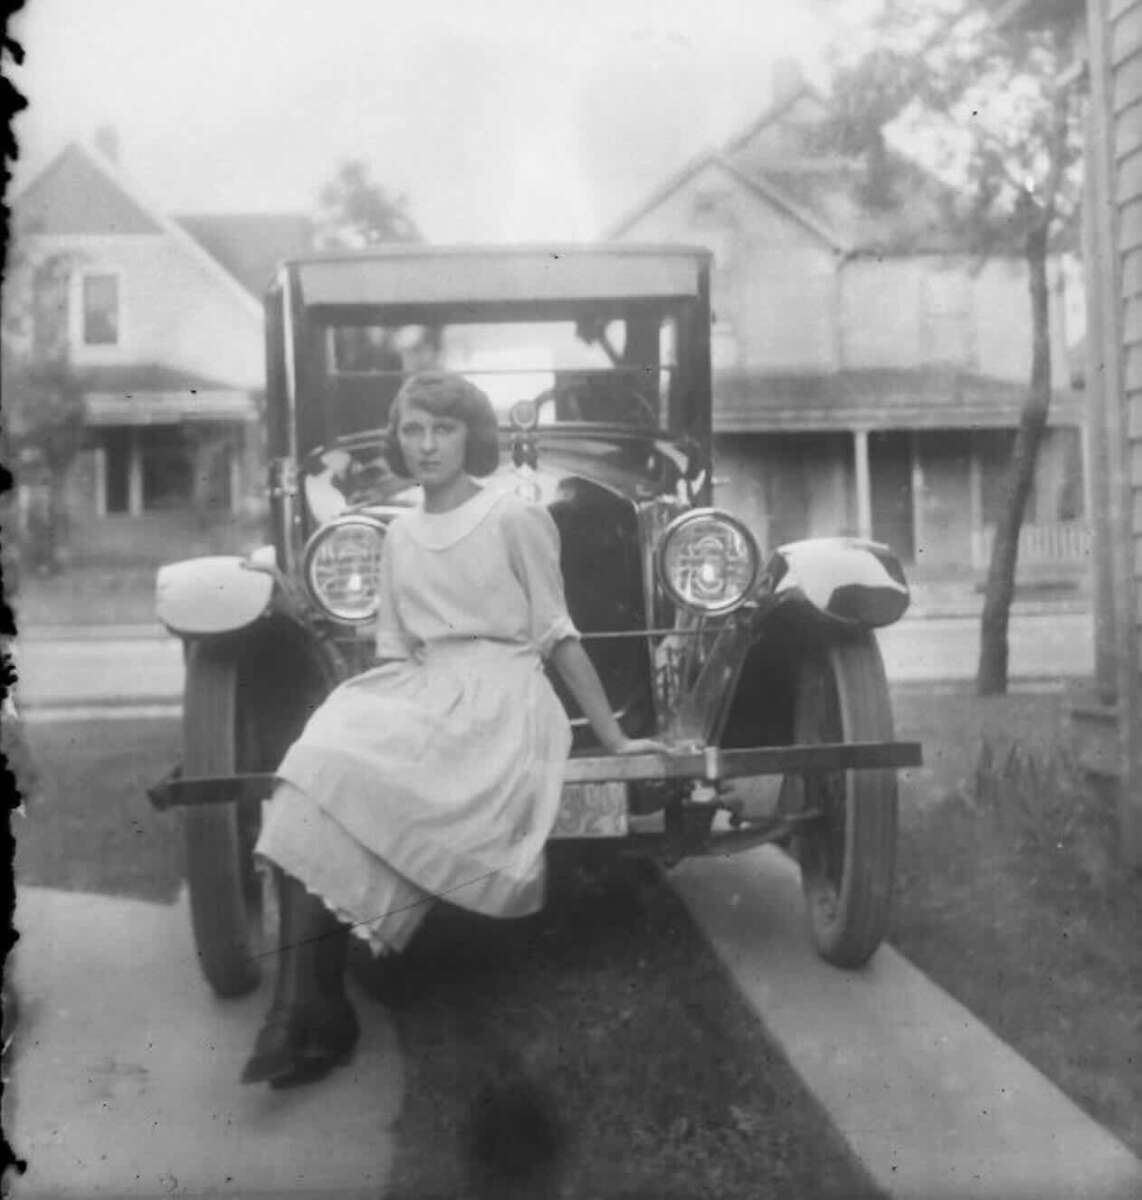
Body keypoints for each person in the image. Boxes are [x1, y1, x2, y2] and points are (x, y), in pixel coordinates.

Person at [243, 370, 664, 1088]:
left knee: (341, 763)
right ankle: (307, 1004)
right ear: (398, 440)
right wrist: (388, 715)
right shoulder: (400, 533)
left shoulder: (514, 518)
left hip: (504, 698)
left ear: (471, 436)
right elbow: (393, 650)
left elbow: (558, 634)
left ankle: (303, 1014)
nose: (427, 445)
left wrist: (618, 740)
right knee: (316, 763)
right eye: (413, 430)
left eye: (443, 429)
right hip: (424, 687)